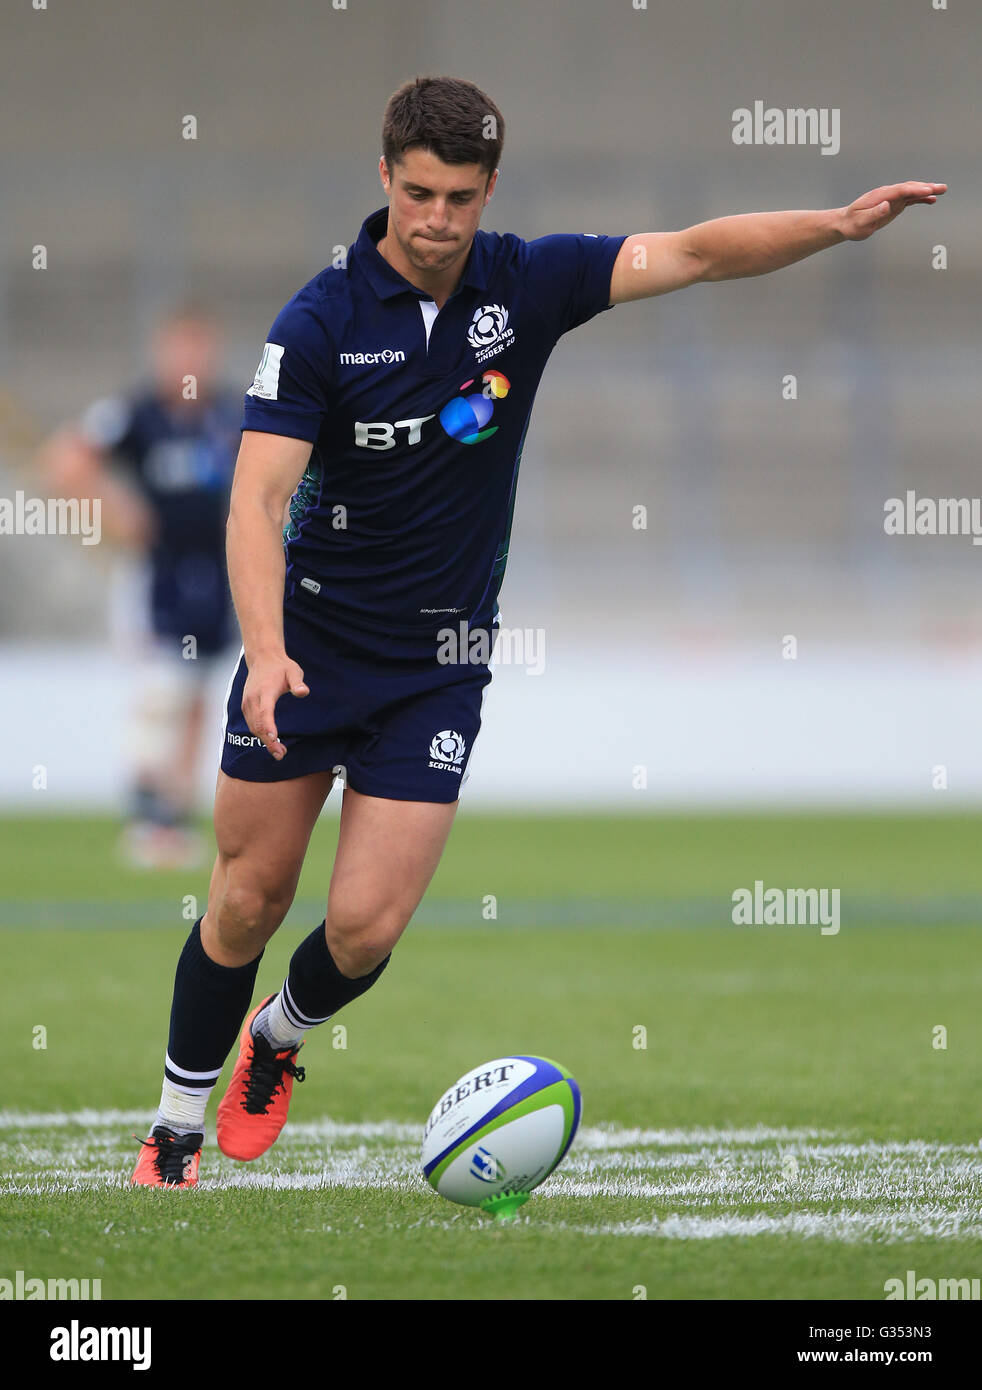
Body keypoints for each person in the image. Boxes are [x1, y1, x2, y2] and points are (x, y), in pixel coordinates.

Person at [129, 74, 945, 1187]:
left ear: (487, 190)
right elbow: (255, 503)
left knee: (362, 930)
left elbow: (698, 251)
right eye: (418, 192)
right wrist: (266, 650)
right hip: (308, 650)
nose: (436, 219)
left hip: (438, 667)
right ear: (385, 177)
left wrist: (836, 224)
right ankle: (174, 1127)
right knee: (245, 897)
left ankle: (275, 1040)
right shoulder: (318, 322)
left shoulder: (529, 280)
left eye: (460, 197)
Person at [40, 308, 241, 869]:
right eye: (181, 351)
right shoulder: (136, 415)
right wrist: (113, 512)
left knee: (200, 693)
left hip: (214, 574)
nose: (190, 364)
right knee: (161, 691)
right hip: (159, 574)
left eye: (200, 351)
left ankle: (175, 814)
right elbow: (65, 459)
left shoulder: (226, 416)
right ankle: (146, 817)